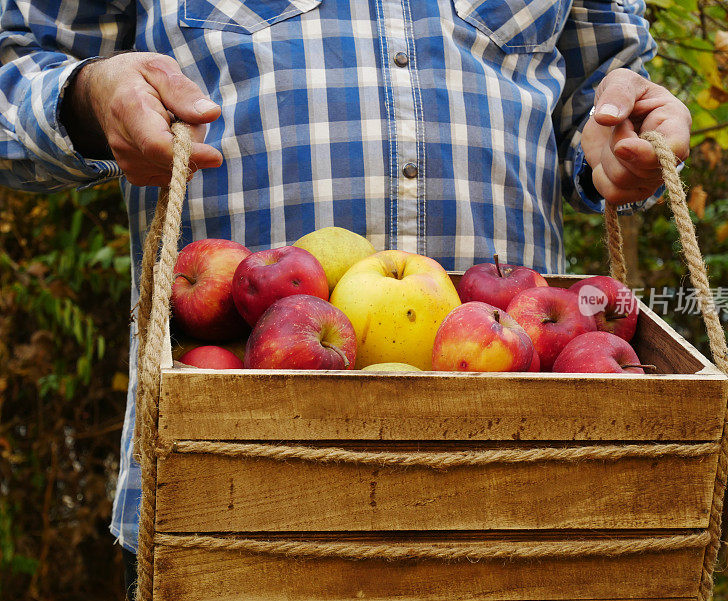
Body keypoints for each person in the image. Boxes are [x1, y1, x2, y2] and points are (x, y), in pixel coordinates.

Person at [0, 0, 690, 597]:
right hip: (232, 503)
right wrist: (91, 97)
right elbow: (14, 76)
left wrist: (625, 130)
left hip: (516, 504)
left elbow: (602, 91)